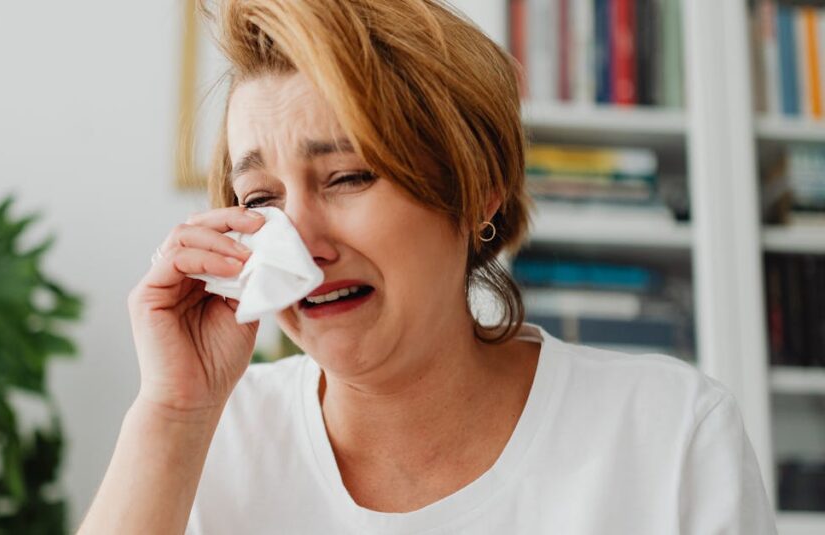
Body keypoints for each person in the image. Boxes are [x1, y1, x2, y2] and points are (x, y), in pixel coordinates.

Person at [78, 0, 777, 533]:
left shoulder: (671, 432)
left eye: (348, 176)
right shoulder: (208, 440)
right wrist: (171, 415)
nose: (302, 239)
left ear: (476, 191)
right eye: (260, 197)